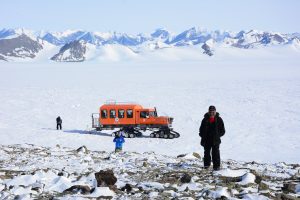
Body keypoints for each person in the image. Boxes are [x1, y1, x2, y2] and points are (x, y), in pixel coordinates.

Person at [199, 106, 225, 170]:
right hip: (206, 139)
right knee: (207, 153)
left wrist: (217, 135)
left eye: (213, 111)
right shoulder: (205, 119)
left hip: (215, 140)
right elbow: (201, 130)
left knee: (215, 153)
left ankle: (216, 167)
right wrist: (202, 135)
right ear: (208, 111)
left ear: (215, 111)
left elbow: (223, 131)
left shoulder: (219, 119)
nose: (212, 113)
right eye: (210, 111)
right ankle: (206, 166)